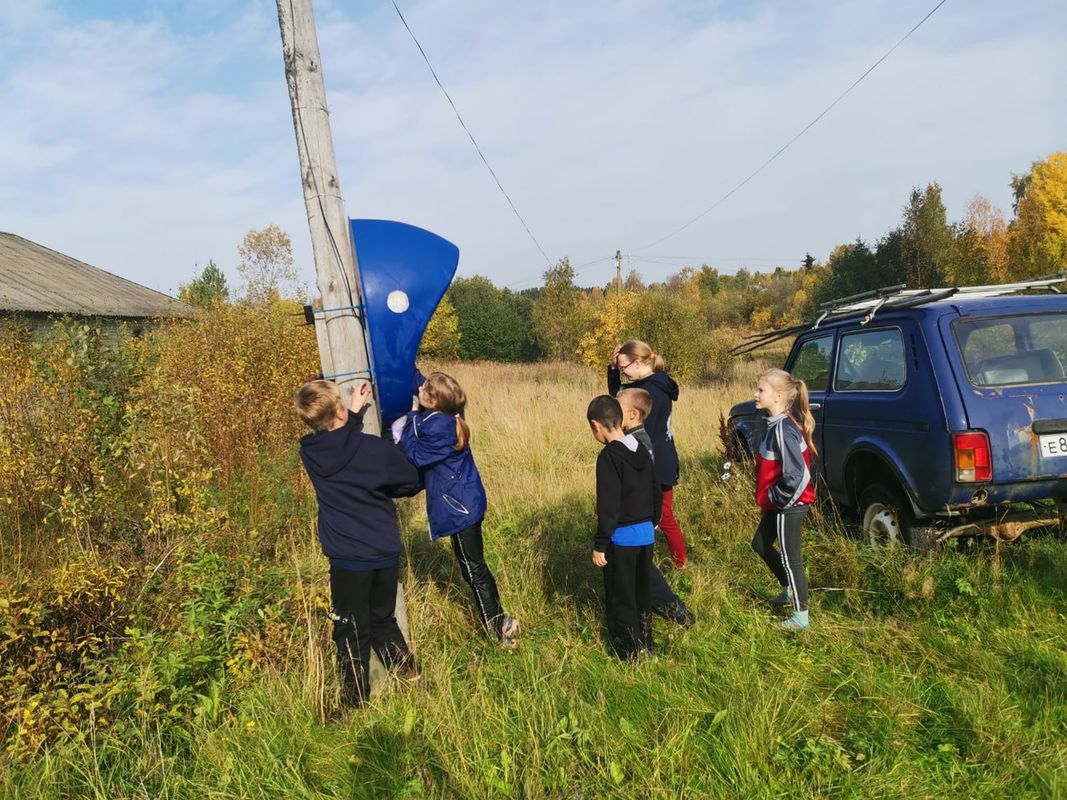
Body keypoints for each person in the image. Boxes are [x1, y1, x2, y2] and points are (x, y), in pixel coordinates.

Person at [295, 379, 422, 708]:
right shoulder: (374, 450)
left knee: (350, 628)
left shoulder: (310, 454)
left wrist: (348, 414)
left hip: (347, 559)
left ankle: (354, 703)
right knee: (383, 620)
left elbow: (337, 446)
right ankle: (411, 678)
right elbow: (409, 482)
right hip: (382, 550)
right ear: (338, 409)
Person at [395, 371, 520, 648]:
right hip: (466, 502)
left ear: (434, 402)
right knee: (477, 566)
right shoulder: (451, 413)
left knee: (473, 571)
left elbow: (413, 454)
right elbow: (428, 384)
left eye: (425, 389)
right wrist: (410, 368)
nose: (421, 389)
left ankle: (499, 631)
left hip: (459, 509)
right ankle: (501, 621)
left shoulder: (438, 428)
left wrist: (413, 415)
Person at [587, 394, 661, 660]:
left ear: (597, 426)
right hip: (645, 536)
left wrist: (600, 544)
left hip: (621, 539)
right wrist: (653, 521)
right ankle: (646, 645)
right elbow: (655, 490)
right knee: (642, 592)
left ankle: (629, 653)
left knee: (621, 596)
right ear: (620, 419)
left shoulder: (608, 458)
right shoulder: (641, 448)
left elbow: (609, 506)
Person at [617, 388, 696, 628]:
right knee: (639, 568)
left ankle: (674, 609)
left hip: (637, 518)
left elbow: (637, 483)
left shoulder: (636, 442)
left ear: (631, 414)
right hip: (639, 518)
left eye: (617, 408)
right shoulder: (637, 436)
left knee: (643, 569)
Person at [608, 340, 688, 568]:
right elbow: (619, 400)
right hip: (661, 458)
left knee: (662, 515)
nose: (622, 371)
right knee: (657, 515)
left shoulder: (651, 391)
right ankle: (665, 561)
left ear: (638, 361)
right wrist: (613, 370)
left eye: (623, 367)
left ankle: (680, 563)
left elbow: (644, 431)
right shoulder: (653, 384)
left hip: (657, 462)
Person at [750, 368, 817, 630]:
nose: (755, 394)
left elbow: (798, 475)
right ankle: (788, 589)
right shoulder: (776, 424)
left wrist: (776, 500)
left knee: (791, 559)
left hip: (789, 506)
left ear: (778, 396)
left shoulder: (783, 430)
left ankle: (801, 617)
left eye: (760, 390)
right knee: (760, 544)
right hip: (777, 504)